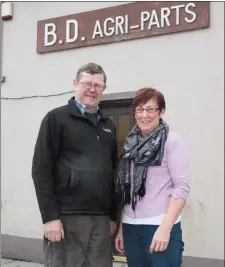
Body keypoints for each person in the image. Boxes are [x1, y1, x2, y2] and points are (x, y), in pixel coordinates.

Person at [32, 62, 118, 267]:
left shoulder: (108, 125)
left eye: (98, 85)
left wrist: (113, 215)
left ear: (104, 90)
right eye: (87, 83)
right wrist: (50, 217)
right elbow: (41, 170)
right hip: (66, 218)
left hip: (101, 219)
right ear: (75, 84)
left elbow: (113, 171)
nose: (92, 89)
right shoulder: (56, 118)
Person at [115, 88, 190, 267]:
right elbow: (129, 188)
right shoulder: (130, 143)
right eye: (139, 110)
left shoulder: (171, 141)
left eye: (150, 109)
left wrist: (165, 228)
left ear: (161, 111)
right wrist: (121, 228)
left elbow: (182, 187)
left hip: (159, 225)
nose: (144, 115)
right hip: (130, 226)